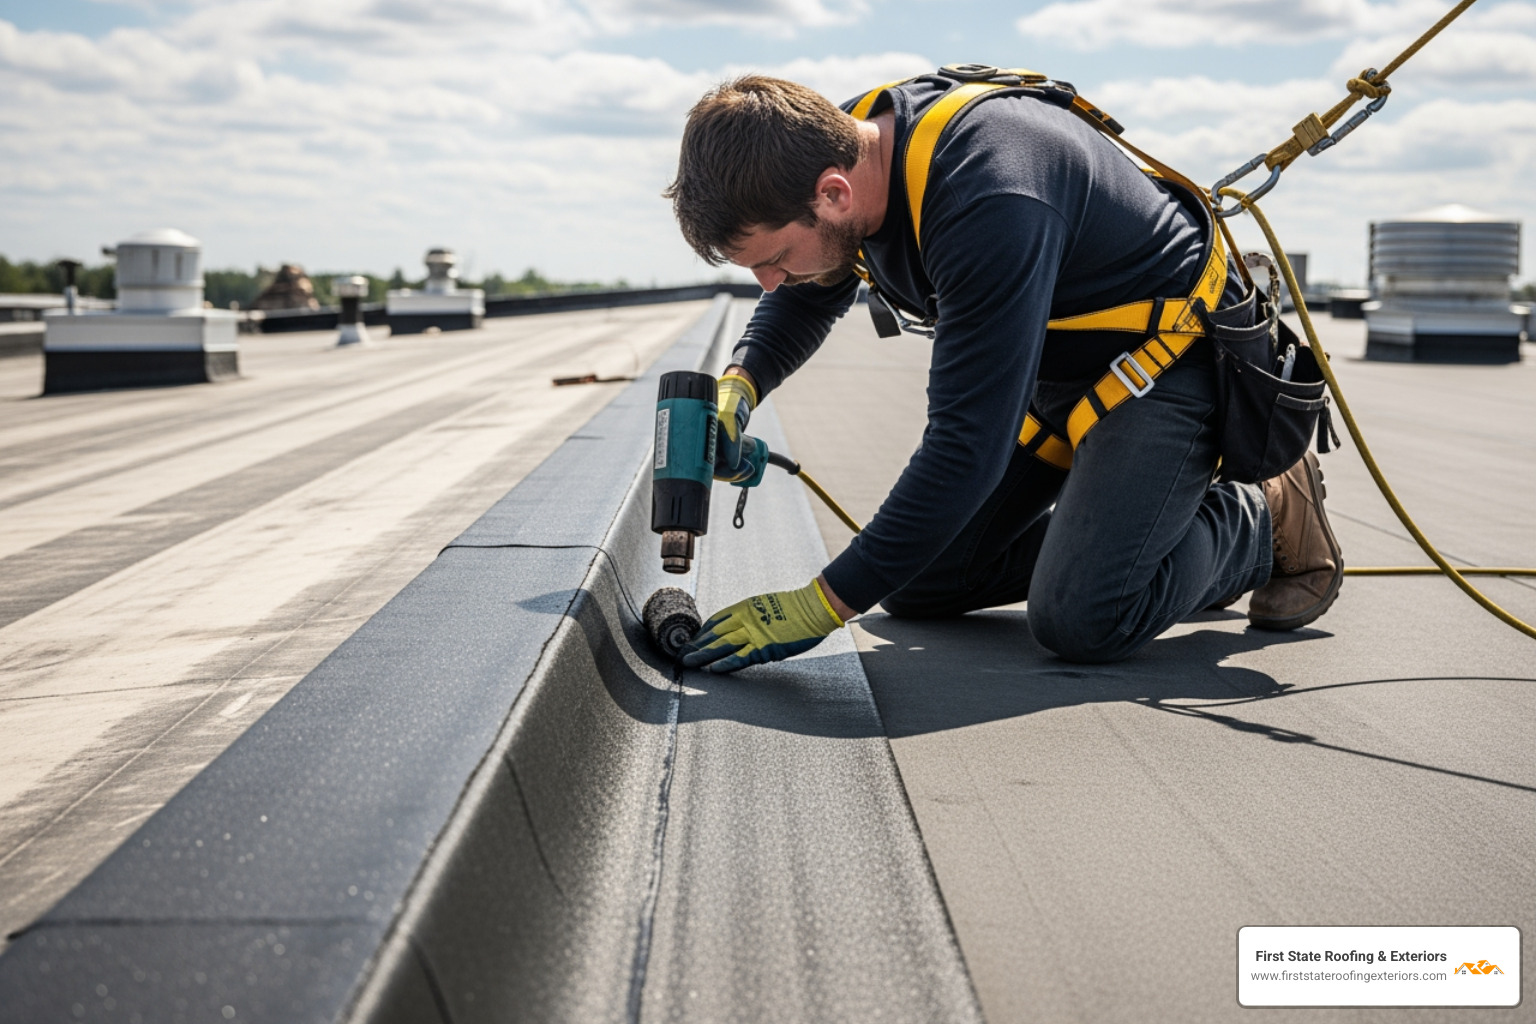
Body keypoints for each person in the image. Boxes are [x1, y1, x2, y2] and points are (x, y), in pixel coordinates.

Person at [664, 69, 1343, 674]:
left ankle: (1260, 514)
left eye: (773, 259)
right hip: (1059, 370)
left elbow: (965, 448)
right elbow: (810, 291)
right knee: (918, 582)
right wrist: (741, 384)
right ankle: (1134, 537)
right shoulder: (838, 145)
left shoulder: (987, 198)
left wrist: (820, 605)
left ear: (834, 194)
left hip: (1167, 367)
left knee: (1085, 618)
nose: (769, 284)